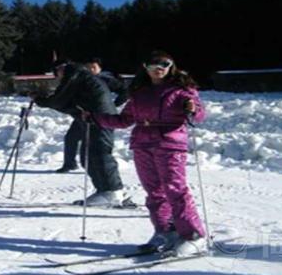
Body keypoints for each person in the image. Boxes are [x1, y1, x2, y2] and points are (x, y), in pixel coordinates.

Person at [85, 50, 207, 256]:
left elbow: (200, 114)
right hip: (143, 144)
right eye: (153, 64)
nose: (158, 68)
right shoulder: (140, 92)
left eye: (164, 64)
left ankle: (193, 235)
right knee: (154, 192)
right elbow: (124, 120)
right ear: (145, 67)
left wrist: (193, 109)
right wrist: (96, 118)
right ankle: (165, 231)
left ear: (171, 67)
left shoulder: (181, 90)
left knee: (175, 190)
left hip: (169, 144)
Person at [32, 61, 126, 206]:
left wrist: (41, 100)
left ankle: (112, 191)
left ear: (60, 69)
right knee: (87, 156)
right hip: (92, 117)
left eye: (56, 74)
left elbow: (59, 100)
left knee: (100, 153)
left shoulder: (74, 75)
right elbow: (65, 103)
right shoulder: (80, 76)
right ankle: (106, 191)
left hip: (99, 118)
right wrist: (45, 100)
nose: (57, 78)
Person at [57, 58, 127, 173]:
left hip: (100, 116)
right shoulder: (80, 78)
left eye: (93, 67)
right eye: (88, 67)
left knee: (90, 141)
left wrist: (114, 104)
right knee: (71, 137)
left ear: (100, 68)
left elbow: (124, 91)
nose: (91, 69)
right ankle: (69, 164)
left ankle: (91, 166)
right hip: (82, 114)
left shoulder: (105, 79)